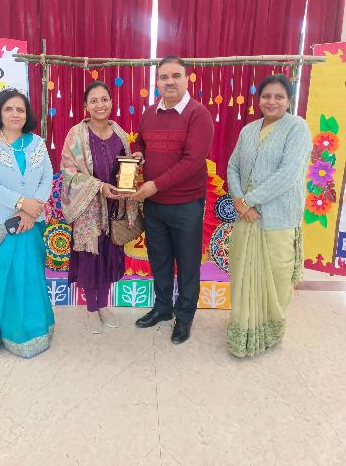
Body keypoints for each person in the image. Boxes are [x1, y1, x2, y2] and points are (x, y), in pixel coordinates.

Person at [226, 74, 312, 358]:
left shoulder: (297, 128)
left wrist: (248, 200)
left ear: (289, 100)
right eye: (266, 96)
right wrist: (240, 203)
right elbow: (233, 167)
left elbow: (289, 174)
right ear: (259, 99)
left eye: (279, 96)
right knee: (243, 274)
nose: (271, 101)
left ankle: (269, 334)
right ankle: (243, 330)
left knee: (276, 279)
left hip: (278, 218)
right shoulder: (248, 130)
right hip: (246, 218)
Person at [131, 56, 214, 344]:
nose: (169, 82)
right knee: (160, 260)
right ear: (157, 82)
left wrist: (155, 185)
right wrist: (139, 153)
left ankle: (185, 317)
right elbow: (140, 141)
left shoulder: (198, 114)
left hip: (186, 204)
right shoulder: (149, 113)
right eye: (164, 77)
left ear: (187, 79)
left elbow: (193, 161)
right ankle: (163, 308)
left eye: (175, 76)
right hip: (155, 205)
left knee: (188, 264)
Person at [0, 88, 54, 358]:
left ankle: (37, 331)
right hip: (1, 223)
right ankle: (4, 334)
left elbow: (47, 178)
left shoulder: (37, 143)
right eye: (8, 108)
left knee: (31, 276)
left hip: (32, 223)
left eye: (20, 109)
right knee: (3, 279)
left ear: (26, 114)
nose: (15, 114)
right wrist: (22, 203)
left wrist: (31, 212)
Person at [61, 81, 138, 334]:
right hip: (88, 210)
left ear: (111, 102)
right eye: (93, 101)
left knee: (108, 256)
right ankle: (91, 309)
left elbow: (126, 170)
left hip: (114, 208)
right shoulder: (76, 135)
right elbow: (68, 172)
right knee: (90, 258)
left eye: (104, 99)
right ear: (86, 106)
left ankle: (104, 305)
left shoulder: (120, 134)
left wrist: (132, 170)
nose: (100, 105)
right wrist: (98, 187)